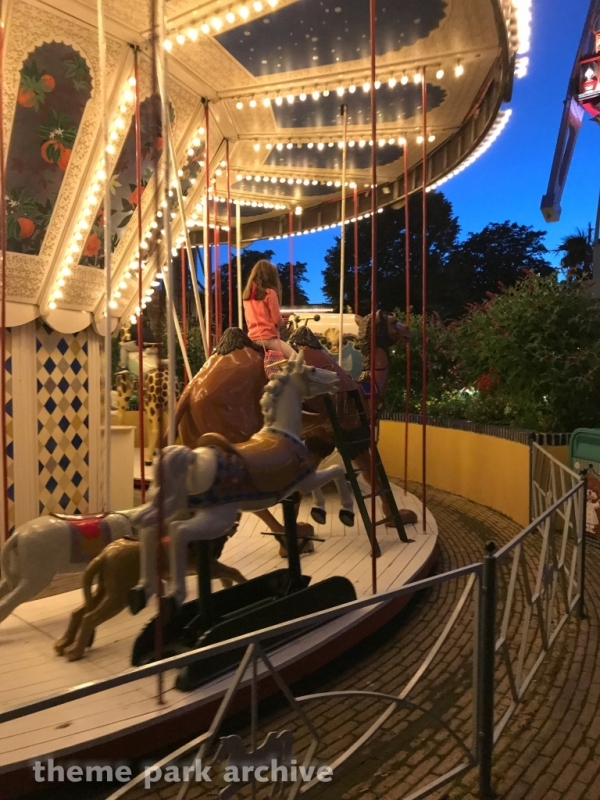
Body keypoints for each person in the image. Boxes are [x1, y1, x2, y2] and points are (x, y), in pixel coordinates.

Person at [242, 260, 295, 358]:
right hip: (267, 338)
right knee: (296, 358)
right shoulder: (270, 293)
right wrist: (283, 322)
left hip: (251, 337)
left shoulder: (247, 295)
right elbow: (276, 319)